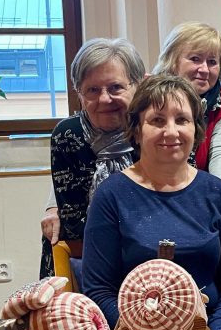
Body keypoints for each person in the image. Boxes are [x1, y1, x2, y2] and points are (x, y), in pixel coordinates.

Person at [81, 75, 221, 330]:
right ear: (137, 130)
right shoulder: (111, 196)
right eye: (157, 121)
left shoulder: (219, 194)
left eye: (181, 120)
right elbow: (98, 288)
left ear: (196, 129)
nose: (171, 132)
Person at [38, 38, 146, 280]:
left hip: (150, 254)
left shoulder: (154, 128)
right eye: (93, 90)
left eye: (116, 87)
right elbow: (74, 225)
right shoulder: (68, 135)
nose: (104, 99)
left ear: (138, 85)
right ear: (79, 94)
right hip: (83, 255)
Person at [154, 22, 221, 189]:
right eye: (195, 59)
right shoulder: (148, 98)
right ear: (173, 60)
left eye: (212, 62)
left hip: (200, 193)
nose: (205, 69)